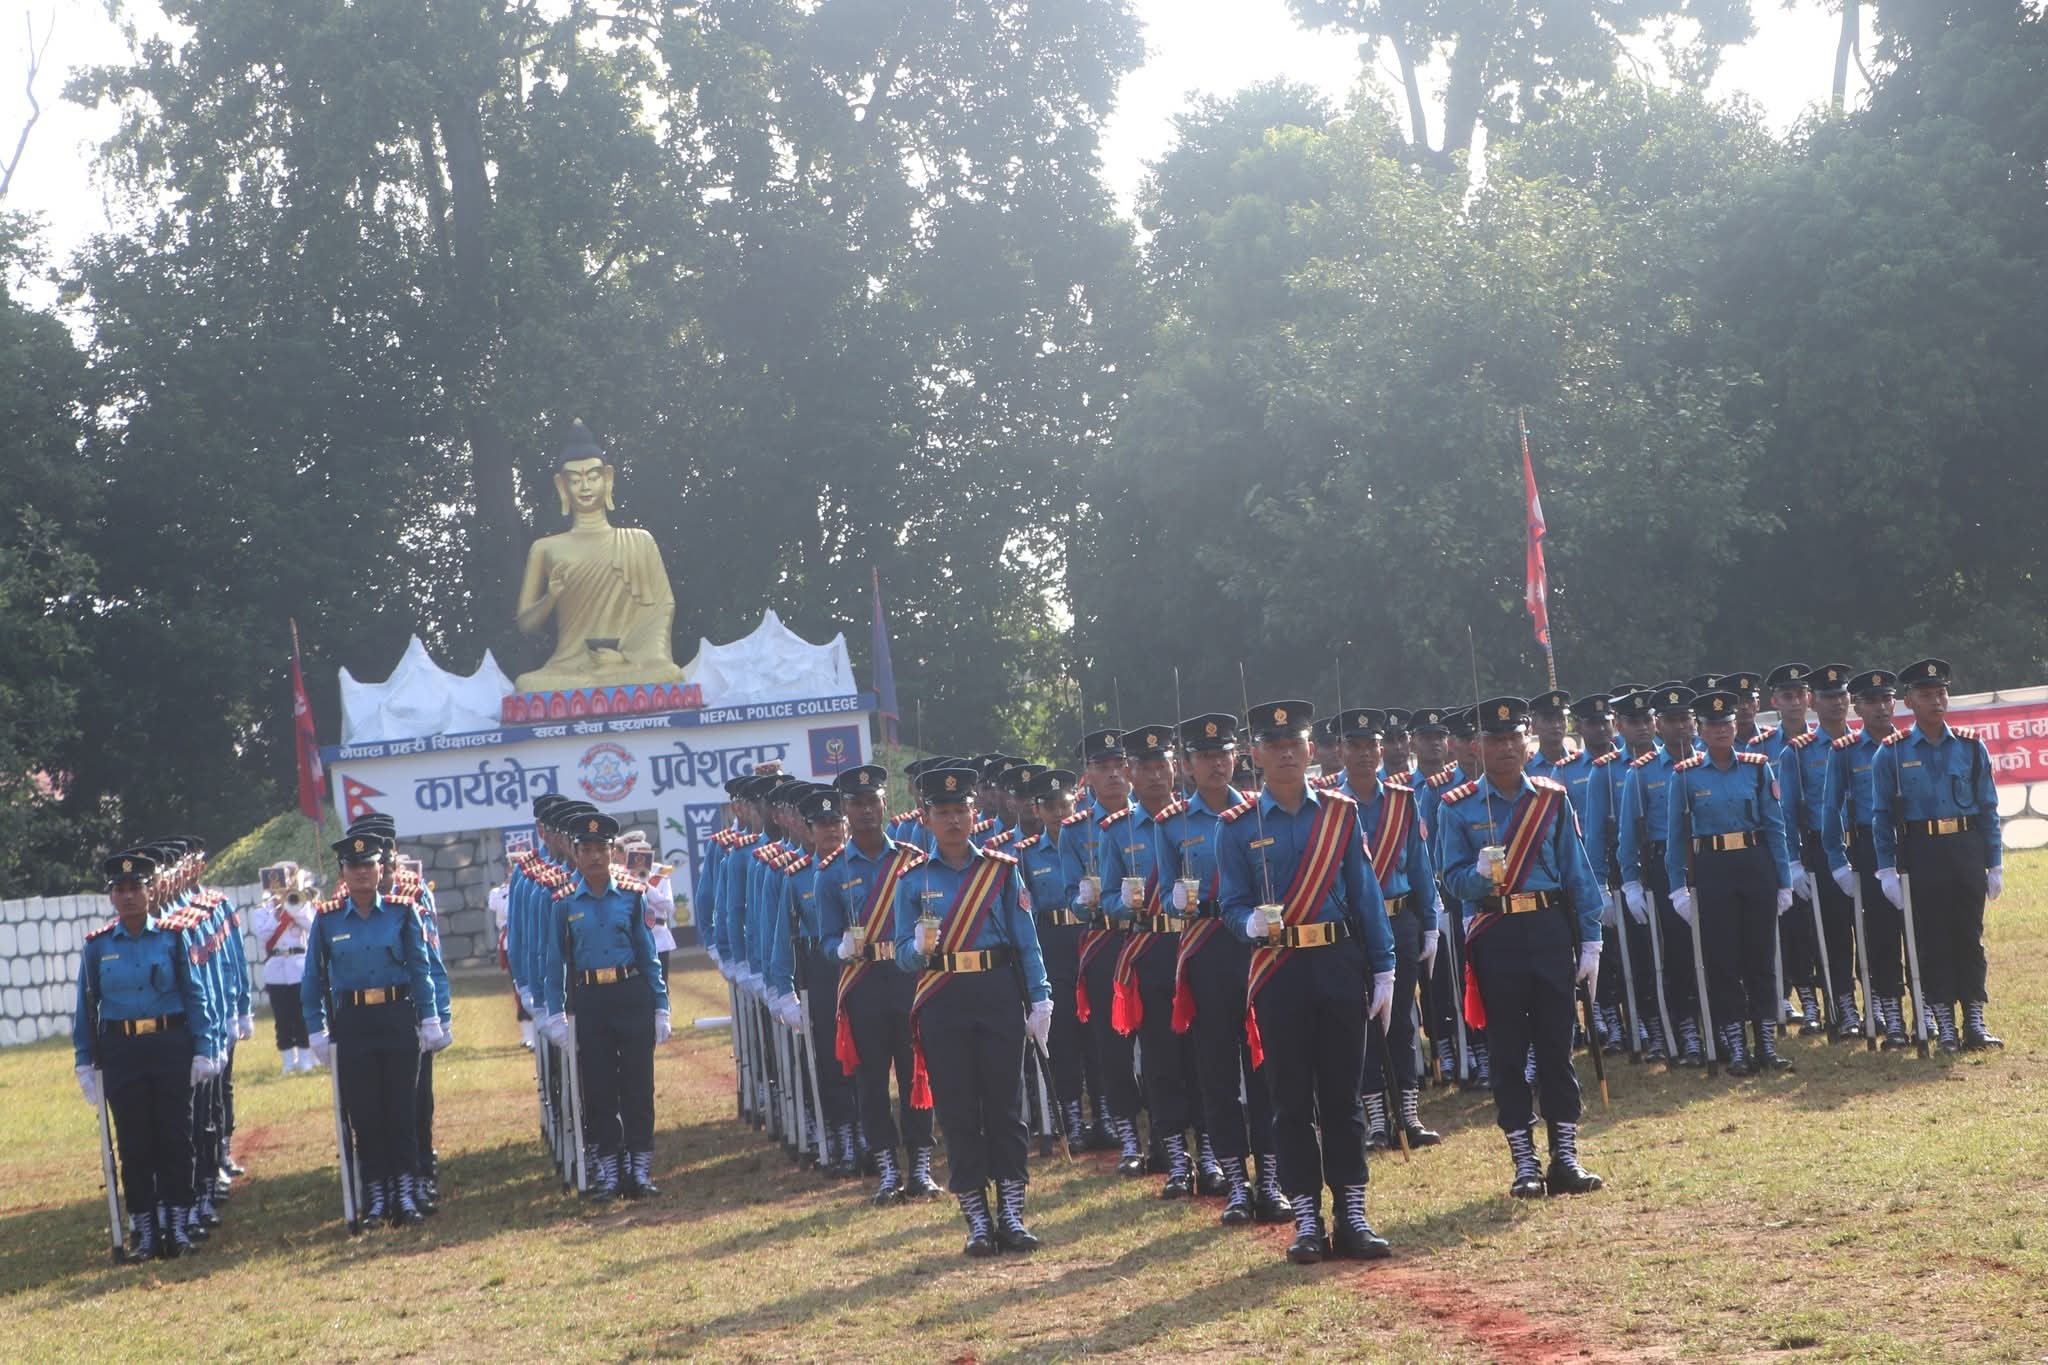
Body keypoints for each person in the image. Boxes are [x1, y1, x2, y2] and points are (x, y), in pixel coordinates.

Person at [1217, 700, 1395, 1265]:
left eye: (1294, 742)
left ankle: (1353, 1214)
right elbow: (1230, 903)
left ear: (1311, 749)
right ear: (1256, 756)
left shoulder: (1340, 814)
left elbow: (1365, 894)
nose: (1286, 753)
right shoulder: (1238, 827)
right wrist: (1245, 921)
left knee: (1343, 1098)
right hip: (1278, 972)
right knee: (1289, 1101)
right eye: (1273, 745)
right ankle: (1307, 1220)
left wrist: (1385, 965)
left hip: (1337, 962)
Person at [1434, 698, 1605, 1198]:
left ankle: (1565, 1156)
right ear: (1475, 747)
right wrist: (1479, 876)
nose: (1506, 747)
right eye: (1494, 739)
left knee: (1557, 1045)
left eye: (1514, 738)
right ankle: (1524, 1161)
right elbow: (1451, 877)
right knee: (1507, 1051)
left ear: (1528, 743)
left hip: (1549, 929)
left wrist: (1591, 938)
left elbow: (1577, 872)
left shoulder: (1551, 798)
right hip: (1497, 934)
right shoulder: (1457, 806)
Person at [894, 765, 1052, 1257]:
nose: (954, 820)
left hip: (996, 990)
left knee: (1005, 1107)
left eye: (961, 810)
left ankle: (1011, 1211)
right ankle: (977, 1219)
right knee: (959, 1110)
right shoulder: (911, 880)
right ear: (927, 818)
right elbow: (900, 955)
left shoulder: (1001, 870)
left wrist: (1040, 996)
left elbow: (1027, 942)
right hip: (943, 997)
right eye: (943, 812)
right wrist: (916, 949)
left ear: (974, 813)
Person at [73, 850, 222, 1261]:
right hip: (122, 1050)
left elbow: (196, 996)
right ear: (111, 898)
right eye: (120, 890)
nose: (129, 897)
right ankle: (144, 1228)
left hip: (169, 1046)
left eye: (135, 888)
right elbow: (86, 1008)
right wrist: (85, 1060)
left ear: (150, 890)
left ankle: (177, 1223)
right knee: (135, 1143)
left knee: (175, 1138)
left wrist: (205, 1047)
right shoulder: (98, 947)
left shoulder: (174, 937)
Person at [1172, 712, 1289, 1226]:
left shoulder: (1257, 814)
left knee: (1265, 1068)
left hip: (1257, 951)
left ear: (1237, 757)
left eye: (1223, 755)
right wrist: (1177, 900)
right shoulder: (1171, 824)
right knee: (1217, 1071)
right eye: (1204, 757)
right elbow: (1167, 900)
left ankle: (1271, 1177)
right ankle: (1234, 1181)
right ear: (1189, 765)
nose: (1216, 764)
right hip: (1208, 951)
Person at [303, 833, 441, 1227]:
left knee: (401, 1109)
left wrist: (430, 1017)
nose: (362, 873)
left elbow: (420, 969)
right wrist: (316, 1029)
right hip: (354, 1023)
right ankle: (377, 1195)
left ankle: (405, 1190)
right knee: (365, 1113)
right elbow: (314, 978)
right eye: (354, 867)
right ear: (343, 873)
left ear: (381, 870)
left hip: (398, 1016)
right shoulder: (327, 919)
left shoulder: (402, 911)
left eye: (369, 866)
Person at [820, 765, 940, 1202]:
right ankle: (888, 1170)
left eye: (873, 801)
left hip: (908, 979)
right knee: (870, 1081)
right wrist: (839, 949)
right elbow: (823, 940)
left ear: (886, 804)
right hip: (864, 981)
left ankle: (921, 1166)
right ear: (845, 811)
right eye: (856, 804)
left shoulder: (911, 860)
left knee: (916, 1074)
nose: (866, 810)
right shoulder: (832, 872)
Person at [1872, 658, 2004, 1052]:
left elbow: (1988, 808)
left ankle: (1974, 1020)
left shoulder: (1970, 746)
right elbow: (1881, 817)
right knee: (1932, 940)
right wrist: (1886, 870)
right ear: (1908, 702)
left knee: (1969, 936)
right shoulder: (1891, 753)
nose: (1937, 701)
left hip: (1965, 848)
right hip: (1921, 850)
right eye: (1926, 695)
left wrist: (1994, 861)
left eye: (1941, 693)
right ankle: (1944, 1022)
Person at [1665, 691, 1796, 1075]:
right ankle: (1736, 1046)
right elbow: (1677, 837)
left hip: (1755, 865)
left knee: (1761, 956)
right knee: (1722, 960)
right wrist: (1678, 887)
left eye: (1727, 724)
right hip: (1713, 868)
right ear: (1700, 731)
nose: (1722, 730)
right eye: (1713, 725)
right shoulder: (1685, 775)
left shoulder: (1757, 768)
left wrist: (1783, 880)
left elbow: (1775, 827)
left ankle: (1766, 1044)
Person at [543, 810, 672, 1198]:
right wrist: (555, 1012)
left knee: (638, 1086)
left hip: (630, 994)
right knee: (598, 1089)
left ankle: (640, 1170)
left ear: (612, 852)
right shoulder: (564, 902)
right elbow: (555, 961)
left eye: (601, 849)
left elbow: (647, 955)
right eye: (587, 849)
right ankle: (610, 1171)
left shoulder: (632, 897)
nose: (595, 856)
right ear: (577, 853)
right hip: (591, 999)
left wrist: (660, 1005)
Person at [1334, 707, 1442, 1153]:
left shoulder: (1403, 800)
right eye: (1354, 747)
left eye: (1370, 746)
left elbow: (1420, 869)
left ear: (1381, 749)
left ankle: (1409, 1114)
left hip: (1400, 922)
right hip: (1353, 928)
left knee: (1400, 1022)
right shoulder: (1332, 806)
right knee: (1362, 1024)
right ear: (1341, 752)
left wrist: (1430, 925)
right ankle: (1377, 1120)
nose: (1363, 754)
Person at [1064, 728, 1142, 1172]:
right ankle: (1127, 1134)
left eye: (1119, 765)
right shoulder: (1076, 831)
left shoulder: (1152, 817)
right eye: (1103, 767)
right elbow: (1069, 900)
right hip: (1105, 940)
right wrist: (1087, 897)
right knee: (1113, 1045)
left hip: (1149, 938)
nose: (1114, 774)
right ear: (1088, 775)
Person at [1618, 686, 1706, 1065]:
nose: (1681, 726)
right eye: (1672, 720)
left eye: (1686, 718)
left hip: (1707, 860)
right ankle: (1684, 1026)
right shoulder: (1642, 773)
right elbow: (1627, 834)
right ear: (1659, 725)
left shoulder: (1708, 762)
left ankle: (1715, 1023)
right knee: (1674, 951)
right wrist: (1632, 882)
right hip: (1663, 866)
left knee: (1712, 948)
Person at [1823, 669, 1908, 1045]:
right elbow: (1830, 810)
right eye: (1872, 701)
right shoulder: (1844, 752)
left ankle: (1926, 1010)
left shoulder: (1908, 743)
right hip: (1869, 850)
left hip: (1912, 845)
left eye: (1887, 699)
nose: (1881, 707)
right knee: (1880, 935)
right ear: (1856, 707)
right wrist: (1838, 861)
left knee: (1920, 931)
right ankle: (1890, 1013)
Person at [1013, 768, 1091, 1151]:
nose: (1060, 812)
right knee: (1062, 1034)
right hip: (1053, 941)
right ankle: (1072, 1116)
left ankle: (1105, 1112)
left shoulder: (1089, 842)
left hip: (1088, 935)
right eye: (1051, 806)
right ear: (1038, 811)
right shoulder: (1027, 855)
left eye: (1066, 804)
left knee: (1097, 1028)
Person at [252, 866, 319, 1074]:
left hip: (299, 967)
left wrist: (294, 909)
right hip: (276, 969)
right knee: (282, 1016)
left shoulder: (303, 905)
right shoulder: (262, 910)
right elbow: (263, 935)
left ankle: (306, 1057)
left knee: (301, 1014)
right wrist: (278, 913)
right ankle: (288, 1060)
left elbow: (313, 926)